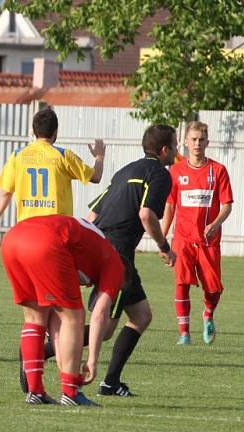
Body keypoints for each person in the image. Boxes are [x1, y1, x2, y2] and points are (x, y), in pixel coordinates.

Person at [86, 124, 178, 396]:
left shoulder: (126, 170)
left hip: (106, 247)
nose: (176, 151)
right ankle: (41, 351)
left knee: (141, 315)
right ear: (164, 150)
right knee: (104, 330)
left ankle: (111, 382)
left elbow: (92, 215)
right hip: (117, 255)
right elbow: (146, 214)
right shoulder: (160, 174)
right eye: (174, 145)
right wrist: (164, 246)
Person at [1, 215, 123, 406]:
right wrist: (92, 359)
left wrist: (63, 357)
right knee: (74, 317)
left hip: (12, 237)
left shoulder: (94, 246)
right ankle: (71, 392)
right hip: (45, 241)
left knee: (36, 315)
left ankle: (36, 392)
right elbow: (99, 314)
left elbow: (56, 323)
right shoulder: (115, 265)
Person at [161, 121, 233, 345]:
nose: (197, 144)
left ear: (207, 142)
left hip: (208, 241)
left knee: (213, 289)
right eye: (193, 139)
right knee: (181, 283)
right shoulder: (175, 171)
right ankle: (184, 333)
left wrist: (215, 224)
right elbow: (170, 205)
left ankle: (208, 313)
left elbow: (227, 205)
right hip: (182, 239)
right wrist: (162, 239)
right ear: (185, 142)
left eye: (201, 140)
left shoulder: (218, 170)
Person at [0, 107, 105, 244]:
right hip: (56, 232)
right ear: (55, 131)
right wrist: (99, 157)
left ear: (34, 131)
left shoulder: (17, 156)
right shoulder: (63, 156)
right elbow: (95, 177)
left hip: (27, 232)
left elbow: (5, 193)